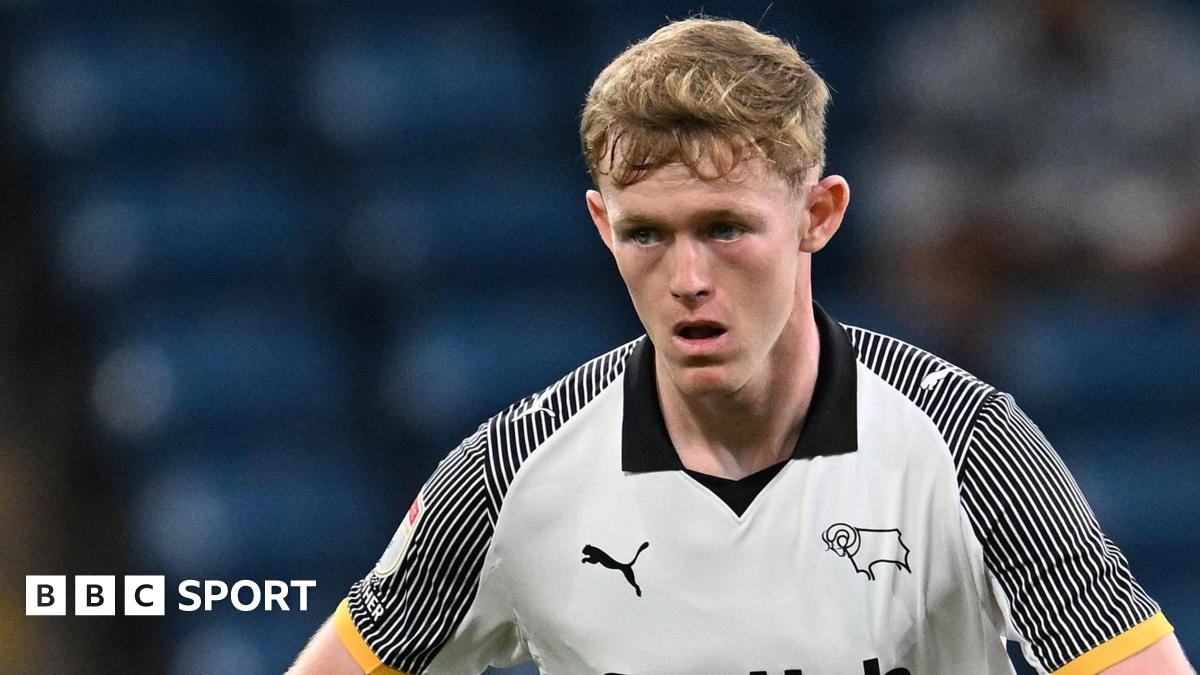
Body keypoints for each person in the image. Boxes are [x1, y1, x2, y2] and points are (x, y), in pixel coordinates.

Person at [290, 17, 1191, 674]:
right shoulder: (513, 469)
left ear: (819, 215)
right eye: (646, 234)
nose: (687, 277)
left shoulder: (967, 443)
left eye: (726, 227)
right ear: (602, 226)